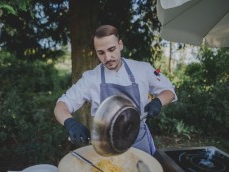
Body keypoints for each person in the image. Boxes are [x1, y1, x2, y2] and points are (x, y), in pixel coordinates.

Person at [54, 25, 177, 155]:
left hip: (138, 139)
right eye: (101, 52)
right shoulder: (90, 78)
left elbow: (169, 90)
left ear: (120, 44)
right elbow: (61, 105)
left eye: (111, 49)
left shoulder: (143, 69)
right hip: (106, 144)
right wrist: (70, 122)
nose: (107, 58)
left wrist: (158, 101)